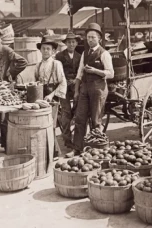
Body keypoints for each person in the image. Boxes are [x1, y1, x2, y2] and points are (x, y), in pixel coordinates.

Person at [70, 23, 114, 155]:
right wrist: (77, 91)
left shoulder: (104, 53)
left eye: (93, 37)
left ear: (99, 38)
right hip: (85, 88)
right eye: (88, 37)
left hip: (98, 89)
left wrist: (96, 70)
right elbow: (79, 74)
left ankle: (96, 151)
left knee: (96, 120)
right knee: (80, 118)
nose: (90, 40)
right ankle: (77, 148)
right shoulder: (85, 53)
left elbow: (111, 73)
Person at [55, 32, 82, 148]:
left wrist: (76, 81)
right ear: (65, 43)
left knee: (77, 112)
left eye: (73, 42)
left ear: (76, 43)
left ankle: (77, 138)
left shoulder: (79, 56)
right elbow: (57, 72)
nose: (71, 44)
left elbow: (80, 73)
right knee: (66, 112)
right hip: (63, 86)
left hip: (75, 87)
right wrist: (65, 81)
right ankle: (67, 140)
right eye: (69, 42)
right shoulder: (59, 56)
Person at [35, 36, 67, 102]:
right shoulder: (38, 65)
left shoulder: (56, 64)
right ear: (40, 50)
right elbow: (35, 82)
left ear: (53, 51)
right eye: (43, 48)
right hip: (40, 97)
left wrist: (51, 95)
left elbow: (63, 83)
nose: (45, 51)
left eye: (48, 49)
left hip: (53, 96)